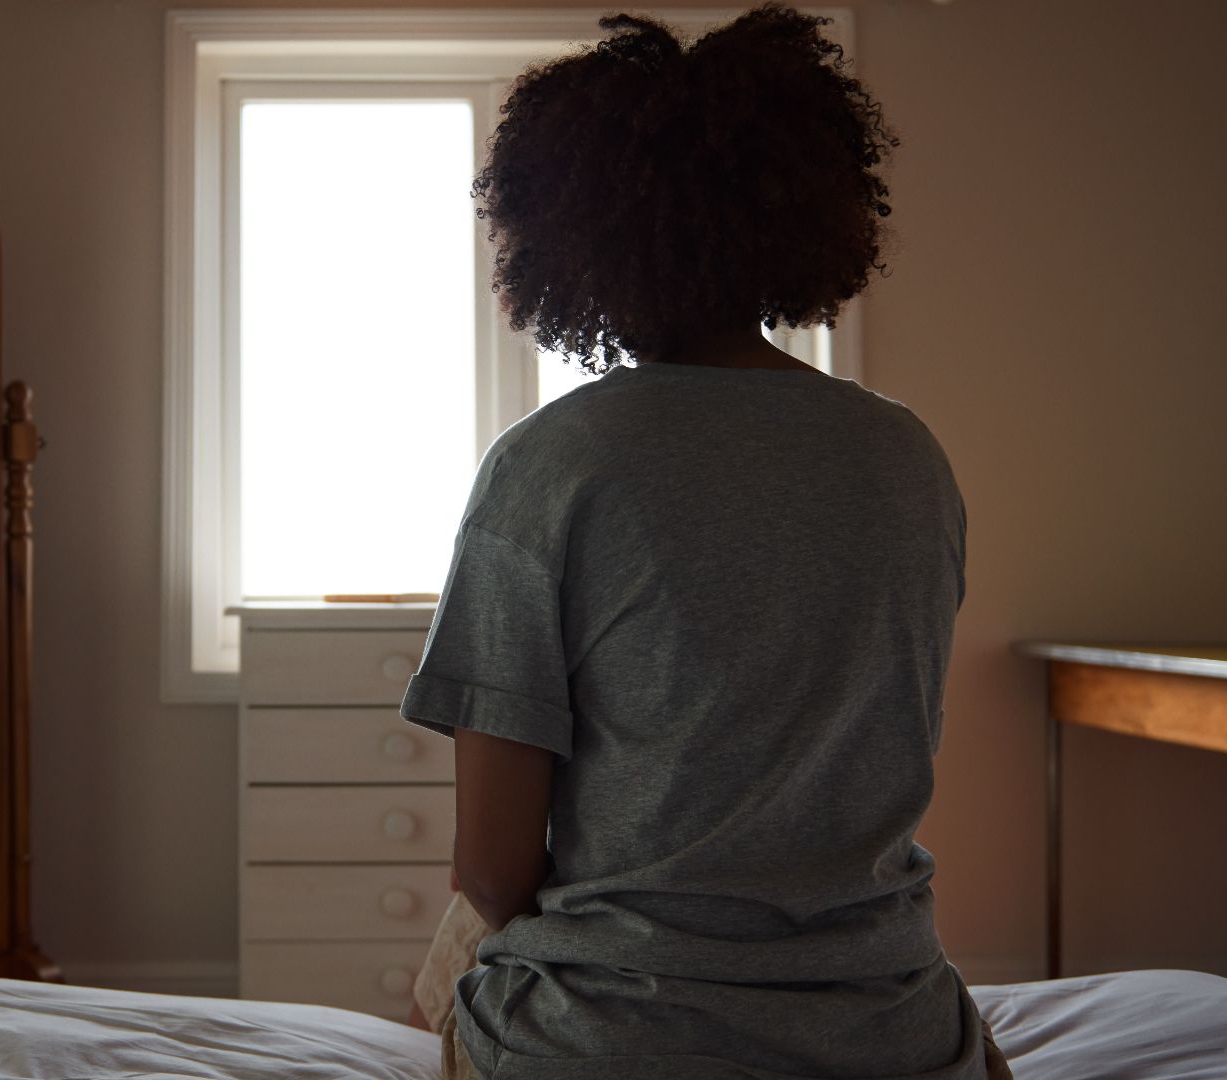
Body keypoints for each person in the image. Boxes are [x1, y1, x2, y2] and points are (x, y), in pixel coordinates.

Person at [397, 7, 1009, 1079]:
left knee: (445, 963)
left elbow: (492, 873)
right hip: (891, 1036)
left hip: (608, 1041)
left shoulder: (550, 465)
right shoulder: (906, 459)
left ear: (563, 239)